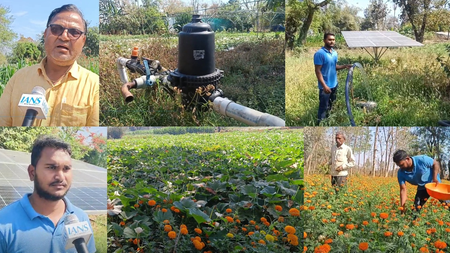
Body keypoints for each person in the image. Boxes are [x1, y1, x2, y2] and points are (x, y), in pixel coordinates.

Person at [0, 4, 99, 126]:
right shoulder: (18, 79)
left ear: (83, 41)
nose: (64, 37)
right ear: (45, 34)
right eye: (56, 29)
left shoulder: (94, 86)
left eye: (74, 32)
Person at [0, 136, 96, 252]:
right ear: (32, 172)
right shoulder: (4, 223)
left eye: (66, 168)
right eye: (51, 167)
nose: (60, 177)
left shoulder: (80, 218)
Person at [314, 33, 353, 125]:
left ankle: (329, 122)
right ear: (324, 40)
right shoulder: (320, 54)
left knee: (331, 105)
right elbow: (317, 71)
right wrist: (324, 86)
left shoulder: (334, 53)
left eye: (333, 40)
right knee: (323, 108)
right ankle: (321, 124)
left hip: (334, 84)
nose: (332, 41)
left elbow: (334, 66)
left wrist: (344, 66)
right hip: (325, 87)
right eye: (329, 39)